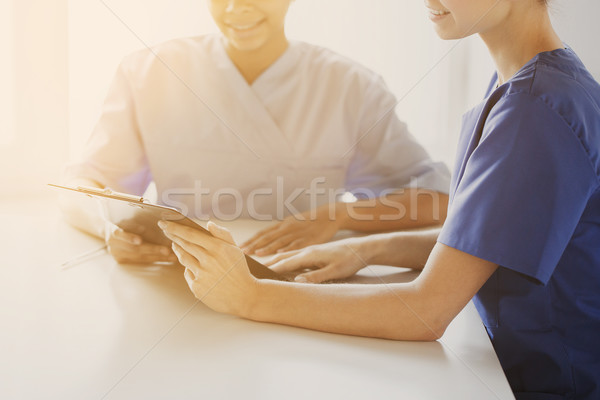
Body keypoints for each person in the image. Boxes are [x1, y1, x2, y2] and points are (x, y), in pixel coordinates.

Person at [159, 0, 600, 398]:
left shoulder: (536, 109)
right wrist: (367, 247)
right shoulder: (530, 83)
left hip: (552, 383)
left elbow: (425, 312)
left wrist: (250, 296)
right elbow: (490, 240)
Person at [61, 0, 450, 264]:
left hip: (301, 279)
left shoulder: (350, 85)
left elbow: (439, 200)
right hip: (179, 271)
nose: (236, 8)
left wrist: (341, 214)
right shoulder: (148, 72)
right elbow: (84, 183)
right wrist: (106, 228)